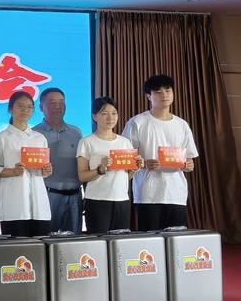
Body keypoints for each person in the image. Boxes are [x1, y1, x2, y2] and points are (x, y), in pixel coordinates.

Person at [123, 74, 199, 231]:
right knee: (149, 240)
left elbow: (189, 159)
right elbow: (125, 157)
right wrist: (143, 163)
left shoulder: (182, 125)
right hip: (148, 194)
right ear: (148, 97)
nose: (164, 95)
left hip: (176, 193)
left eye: (168, 90)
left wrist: (189, 165)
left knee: (174, 240)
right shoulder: (137, 122)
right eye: (158, 92)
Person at [0, 90, 53, 237]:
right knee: (17, 248)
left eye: (29, 107)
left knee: (40, 246)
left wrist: (46, 171)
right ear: (10, 109)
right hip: (13, 206)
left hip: (38, 205)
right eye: (20, 106)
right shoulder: (1, 139)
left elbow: (42, 169)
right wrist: (13, 171)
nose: (25, 110)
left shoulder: (39, 138)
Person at [76, 96, 144, 233]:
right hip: (97, 200)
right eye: (104, 114)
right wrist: (100, 169)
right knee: (98, 241)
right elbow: (82, 176)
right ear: (94, 117)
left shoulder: (125, 142)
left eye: (114, 113)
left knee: (119, 241)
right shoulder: (86, 142)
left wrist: (135, 168)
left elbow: (125, 177)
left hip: (121, 200)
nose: (110, 118)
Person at [33, 87, 84, 233]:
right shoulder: (34, 134)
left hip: (75, 196)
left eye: (61, 102)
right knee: (46, 239)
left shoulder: (76, 132)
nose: (58, 106)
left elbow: (83, 165)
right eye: (52, 102)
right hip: (48, 196)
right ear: (41, 107)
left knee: (73, 241)